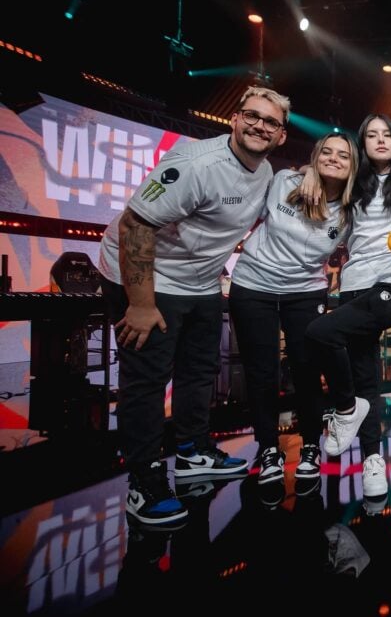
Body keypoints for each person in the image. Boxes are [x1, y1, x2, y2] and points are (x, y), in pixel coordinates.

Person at [98, 85, 291, 526]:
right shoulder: (194, 164)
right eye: (252, 116)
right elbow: (135, 225)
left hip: (200, 283)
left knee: (200, 369)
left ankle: (191, 451)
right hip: (145, 274)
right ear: (236, 119)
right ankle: (144, 483)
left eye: (271, 122)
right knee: (147, 380)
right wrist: (142, 305)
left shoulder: (263, 172)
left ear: (281, 136)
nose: (260, 125)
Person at [229, 132, 359, 496]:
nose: (334, 159)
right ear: (316, 156)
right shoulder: (286, 181)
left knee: (306, 369)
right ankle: (268, 449)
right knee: (261, 369)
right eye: (327, 151)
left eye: (343, 156)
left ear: (353, 168)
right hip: (254, 285)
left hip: (305, 292)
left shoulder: (350, 208)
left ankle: (311, 447)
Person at [304, 114, 391, 501]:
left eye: (386, 133)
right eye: (370, 135)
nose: (379, 140)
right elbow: (323, 171)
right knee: (366, 375)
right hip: (354, 284)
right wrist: (307, 170)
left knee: (318, 332)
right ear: (363, 143)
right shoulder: (355, 181)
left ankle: (345, 408)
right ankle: (374, 460)